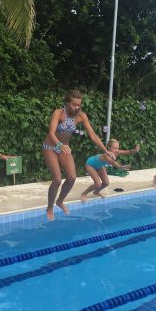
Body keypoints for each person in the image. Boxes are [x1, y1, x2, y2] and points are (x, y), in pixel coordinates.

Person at [42, 89, 111, 220]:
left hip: (64, 148)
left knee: (72, 177)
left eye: (79, 105)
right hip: (50, 147)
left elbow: (93, 135)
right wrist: (59, 145)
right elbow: (51, 133)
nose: (77, 107)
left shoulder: (81, 116)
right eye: (74, 104)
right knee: (57, 179)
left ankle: (60, 201)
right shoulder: (58, 113)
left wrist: (105, 150)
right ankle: (50, 207)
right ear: (67, 103)